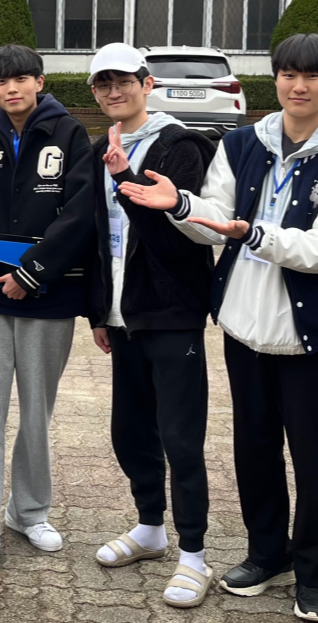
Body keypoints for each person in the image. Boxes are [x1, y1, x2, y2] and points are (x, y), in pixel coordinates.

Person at [120, 33, 318, 622]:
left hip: (306, 335)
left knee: (313, 460)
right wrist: (181, 205)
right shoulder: (242, 142)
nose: (299, 86)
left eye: (313, 76)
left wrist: (252, 233)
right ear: (275, 78)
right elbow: (214, 218)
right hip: (242, 326)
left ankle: (313, 574)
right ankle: (267, 554)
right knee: (253, 448)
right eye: (288, 74)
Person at [0, 44, 93, 581]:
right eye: (0, 82)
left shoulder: (70, 134)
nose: (11, 89)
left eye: (21, 79)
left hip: (48, 297)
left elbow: (80, 215)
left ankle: (29, 512)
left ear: (39, 81)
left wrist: (32, 272)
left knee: (37, 413)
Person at [84, 43, 217, 607]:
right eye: (103, 84)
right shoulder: (98, 149)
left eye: (124, 81)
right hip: (123, 313)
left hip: (171, 311)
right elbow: (96, 236)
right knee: (130, 431)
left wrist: (127, 177)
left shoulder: (181, 146)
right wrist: (100, 310)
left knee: (181, 437)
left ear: (147, 83)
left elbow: (176, 238)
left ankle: (195, 555)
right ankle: (150, 528)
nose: (114, 91)